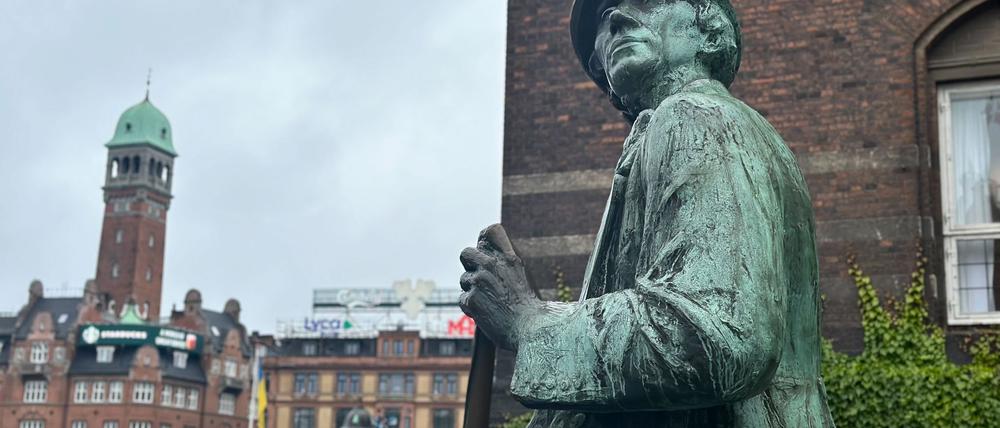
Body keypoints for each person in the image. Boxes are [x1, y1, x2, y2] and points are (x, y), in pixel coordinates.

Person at [458, 0, 836, 426]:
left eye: (648, 1)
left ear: (710, 33)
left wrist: (528, 321)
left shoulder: (694, 118)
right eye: (602, 22)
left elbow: (719, 335)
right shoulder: (705, 129)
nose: (616, 18)